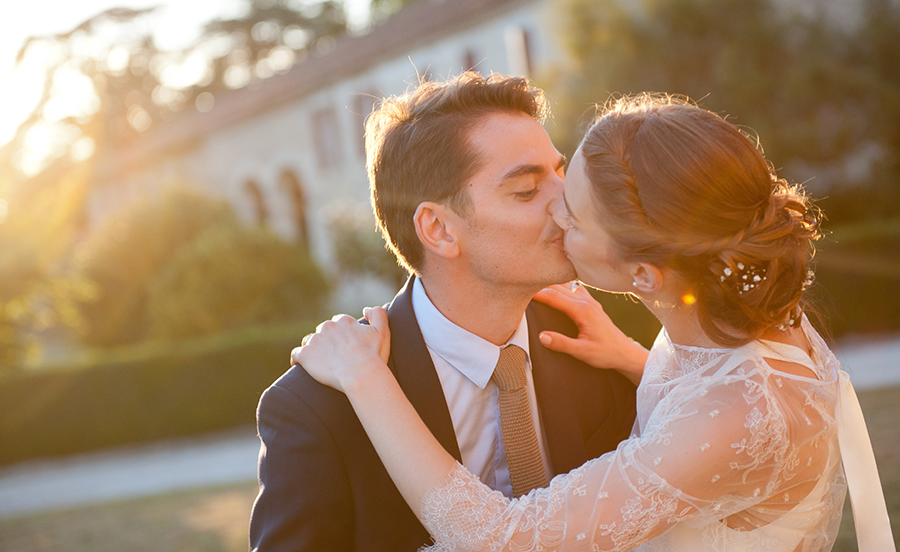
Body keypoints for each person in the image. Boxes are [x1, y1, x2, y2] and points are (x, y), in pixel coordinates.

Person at [292, 94, 895, 551]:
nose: (557, 208)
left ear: (645, 276)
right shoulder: (726, 321)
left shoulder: (741, 404)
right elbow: (728, 416)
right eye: (532, 190)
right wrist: (642, 363)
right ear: (438, 229)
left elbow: (504, 540)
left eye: (572, 208)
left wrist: (365, 377)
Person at [248, 73, 640, 552]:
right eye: (526, 190)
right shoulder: (318, 408)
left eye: (561, 174)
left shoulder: (592, 342)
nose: (568, 203)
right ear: (438, 230)